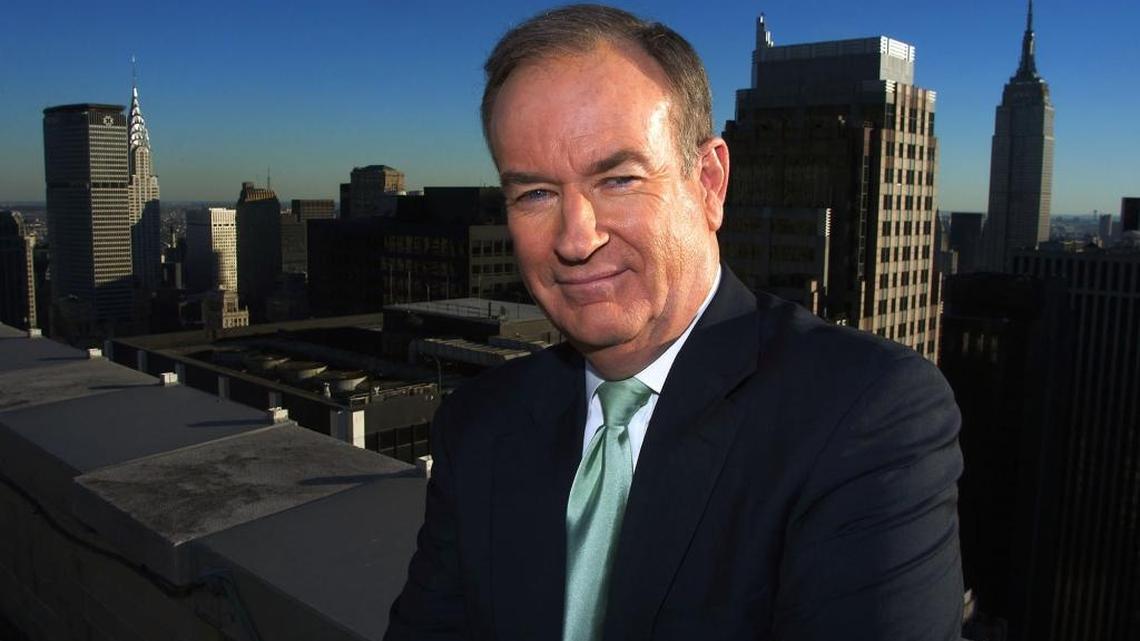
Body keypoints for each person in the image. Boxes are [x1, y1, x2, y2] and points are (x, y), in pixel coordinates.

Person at [386, 5, 963, 640]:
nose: (575, 239)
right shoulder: (480, 424)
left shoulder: (866, 415)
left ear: (709, 182)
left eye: (619, 179)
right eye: (535, 194)